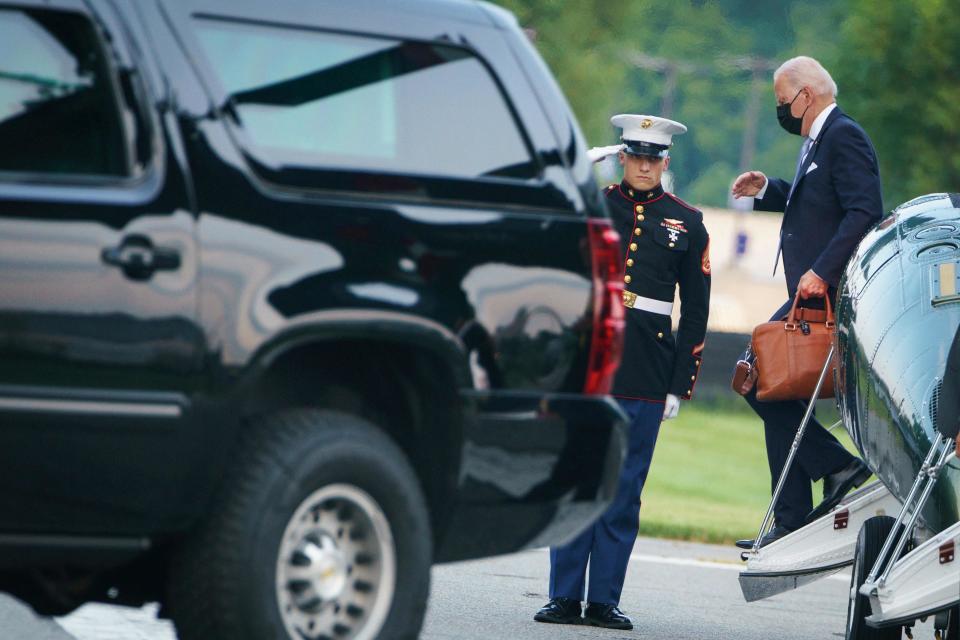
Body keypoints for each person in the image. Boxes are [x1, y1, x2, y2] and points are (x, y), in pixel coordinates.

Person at [534, 115, 710, 629]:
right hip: (591, 360)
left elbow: (695, 310)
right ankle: (564, 596)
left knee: (624, 487)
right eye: (635, 156)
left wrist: (681, 382)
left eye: (653, 158)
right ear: (622, 157)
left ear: (665, 162)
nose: (643, 166)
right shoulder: (594, 205)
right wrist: (571, 176)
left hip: (647, 368)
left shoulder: (688, 222)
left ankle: (604, 600)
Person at [730, 56, 883, 549]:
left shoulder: (844, 135)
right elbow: (818, 201)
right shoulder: (819, 139)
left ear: (805, 95)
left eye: (781, 102)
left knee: (756, 376)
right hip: (808, 293)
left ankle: (836, 469)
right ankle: (794, 514)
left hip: (825, 295)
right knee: (770, 387)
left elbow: (865, 210)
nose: (781, 110)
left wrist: (823, 270)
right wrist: (769, 190)